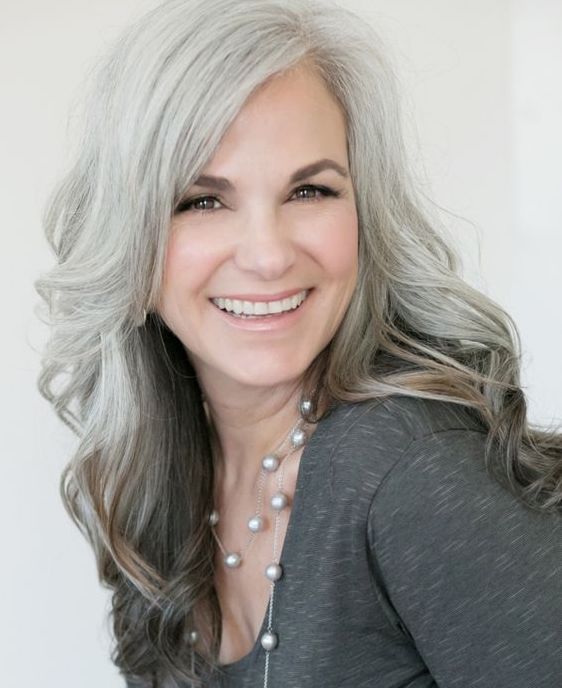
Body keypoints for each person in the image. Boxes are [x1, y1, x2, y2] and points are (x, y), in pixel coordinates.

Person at [34, 0, 562, 686]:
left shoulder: (410, 472)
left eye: (310, 190)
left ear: (366, 213)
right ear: (129, 234)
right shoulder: (157, 477)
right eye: (202, 200)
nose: (267, 255)